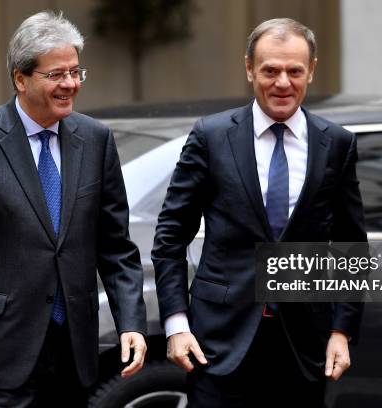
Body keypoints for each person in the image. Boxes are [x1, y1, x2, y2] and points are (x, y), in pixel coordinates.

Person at [0, 10, 147, 407]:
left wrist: (131, 321)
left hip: (74, 351)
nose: (70, 85)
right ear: (20, 78)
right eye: (56, 74)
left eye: (76, 72)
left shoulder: (95, 140)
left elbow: (116, 246)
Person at [152, 18, 366, 407]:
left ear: (311, 71)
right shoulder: (211, 136)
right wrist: (176, 324)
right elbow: (170, 236)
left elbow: (352, 246)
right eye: (270, 70)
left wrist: (341, 331)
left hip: (304, 346)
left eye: (294, 71)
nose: (282, 82)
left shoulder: (336, 144)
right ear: (249, 68)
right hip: (217, 343)